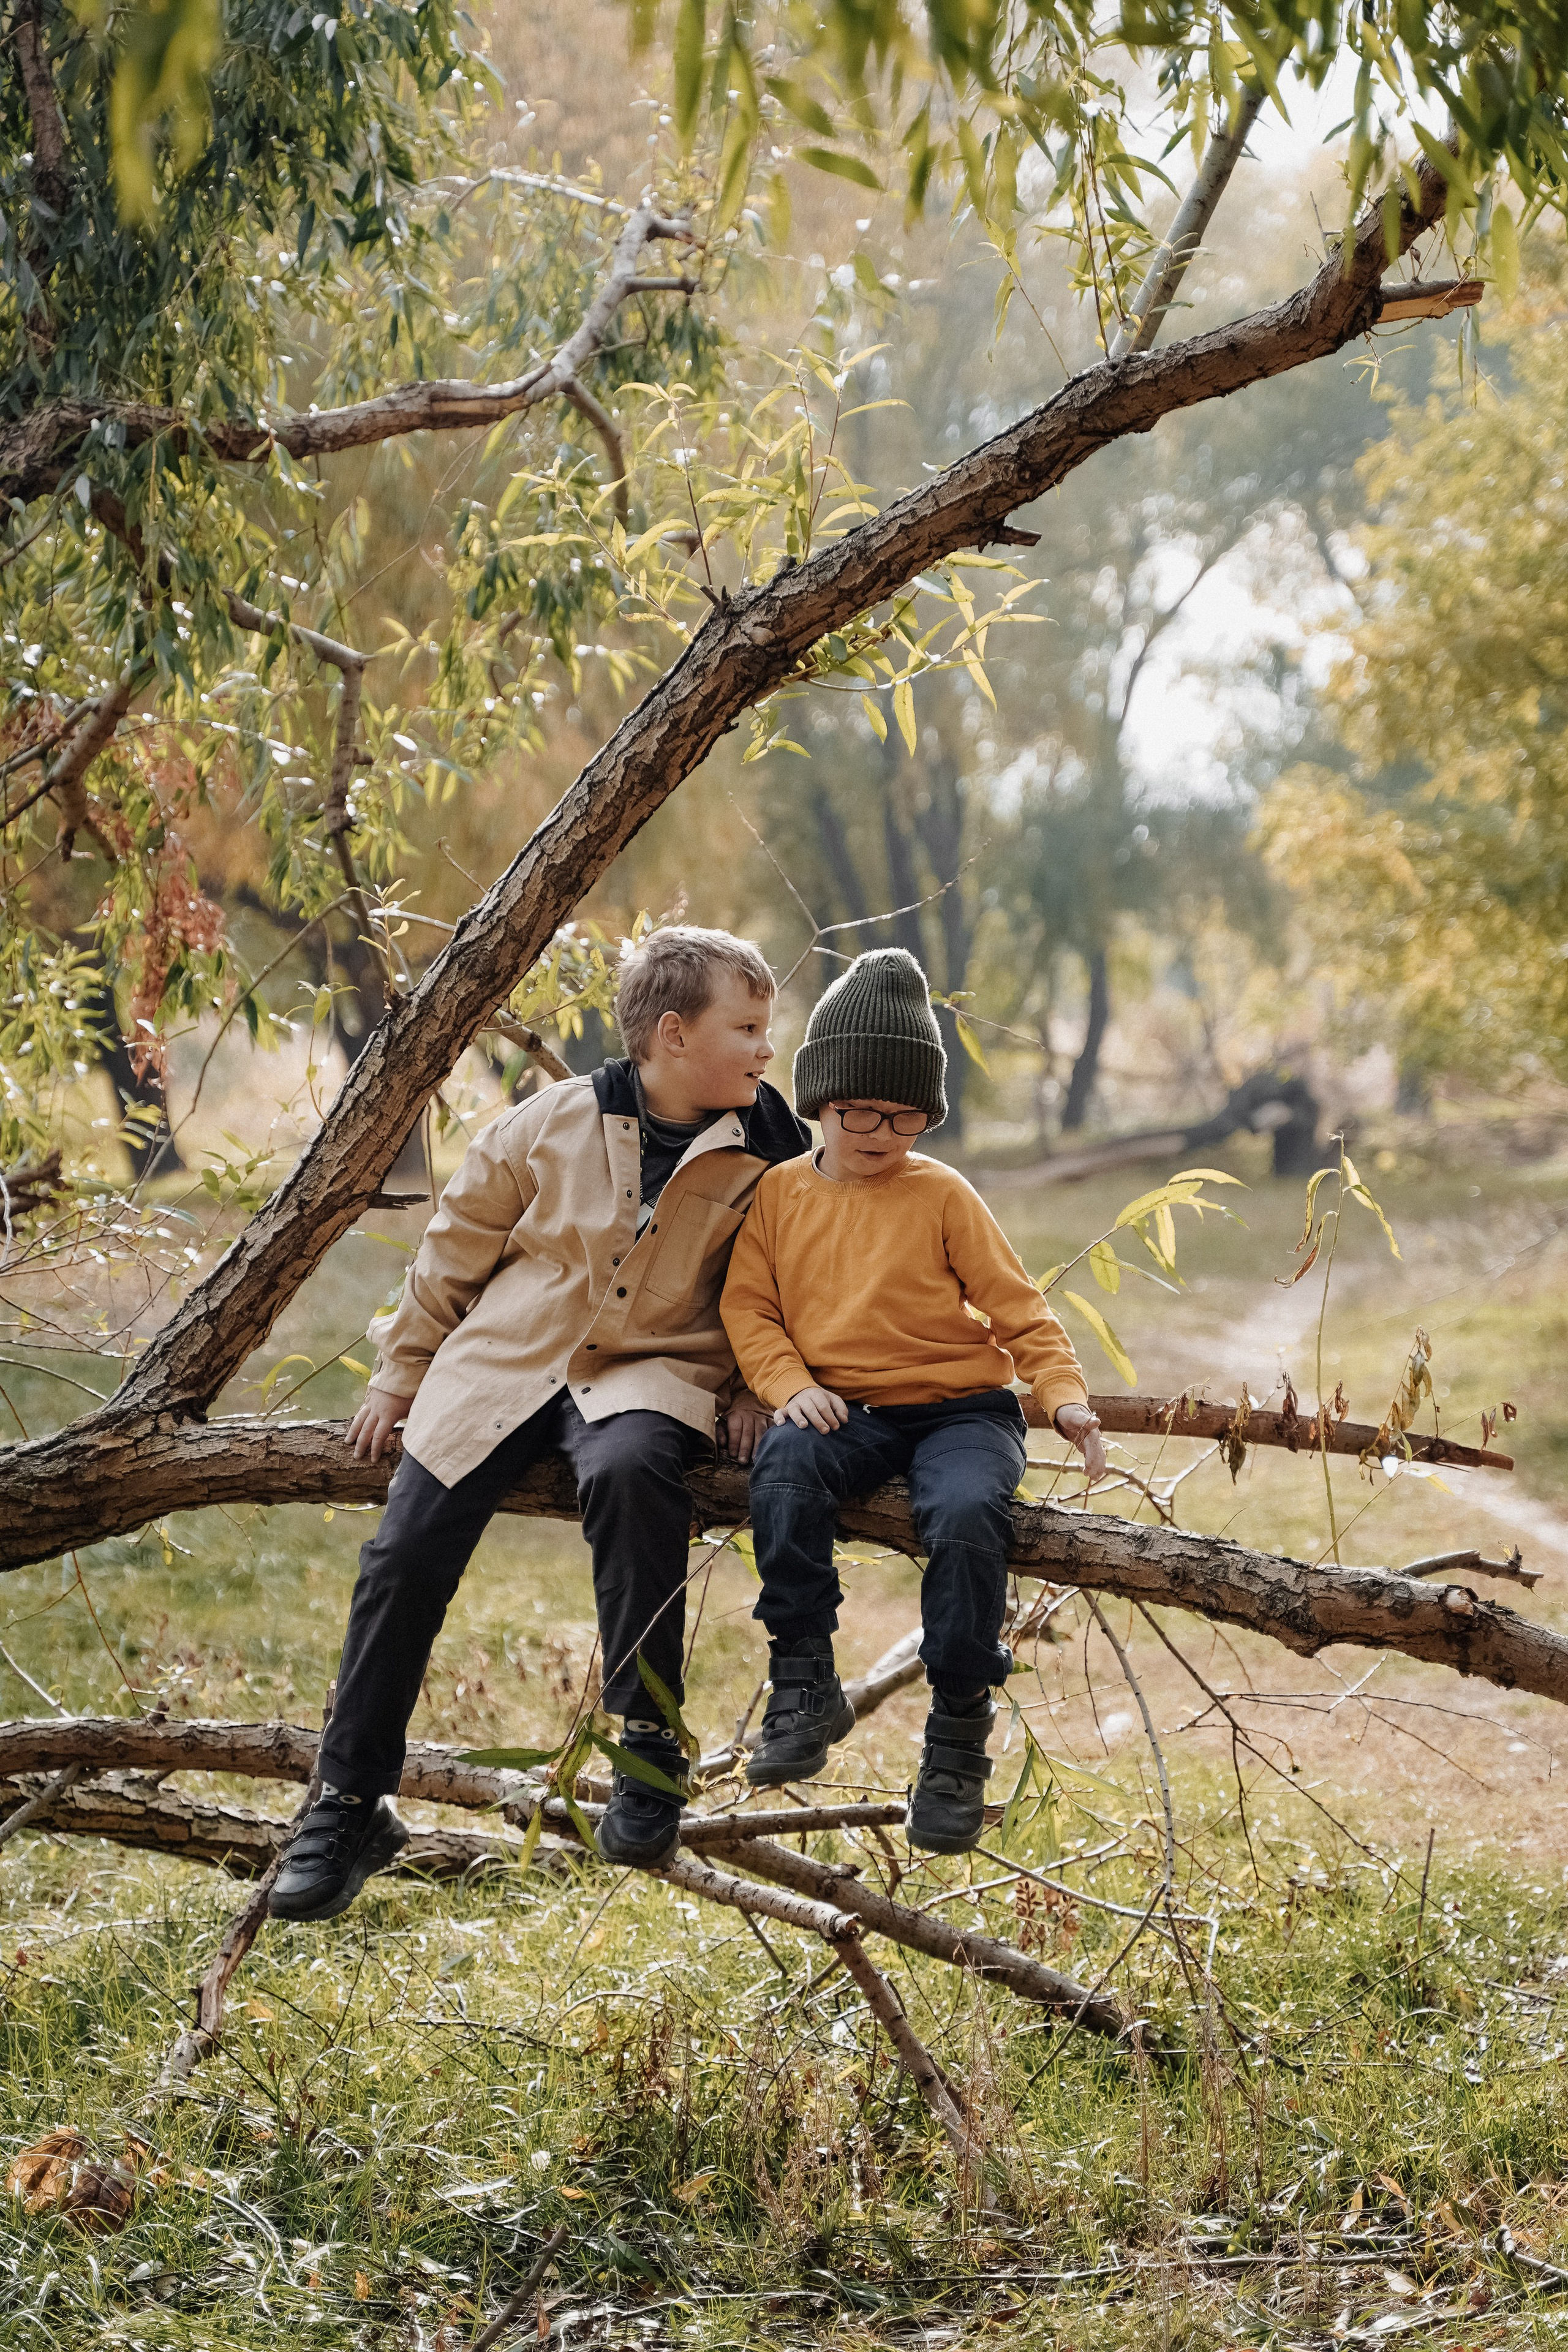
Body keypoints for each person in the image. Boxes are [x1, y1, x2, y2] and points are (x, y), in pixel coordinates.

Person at [270, 927, 809, 1920]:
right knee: (403, 1555)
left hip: (653, 1372)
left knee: (635, 1476)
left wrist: (752, 1391)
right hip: (506, 1363)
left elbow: (791, 1287)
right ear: (674, 1035)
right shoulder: (546, 1124)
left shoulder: (778, 1152)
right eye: (748, 1027)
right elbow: (451, 1255)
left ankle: (647, 1747)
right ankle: (349, 1800)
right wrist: (399, 1377)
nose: (766, 1049)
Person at [720, 947, 1107, 1854]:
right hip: (839, 1408)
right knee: (783, 1468)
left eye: (905, 1116)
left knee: (969, 1514)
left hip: (960, 1410)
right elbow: (749, 1306)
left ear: (927, 1116)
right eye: (858, 1108)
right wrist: (791, 1387)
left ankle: (957, 1736)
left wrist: (1064, 1397)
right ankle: (804, 1684)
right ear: (819, 1098)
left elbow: (1020, 1310)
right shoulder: (779, 1197)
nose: (879, 1131)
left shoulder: (942, 1194)